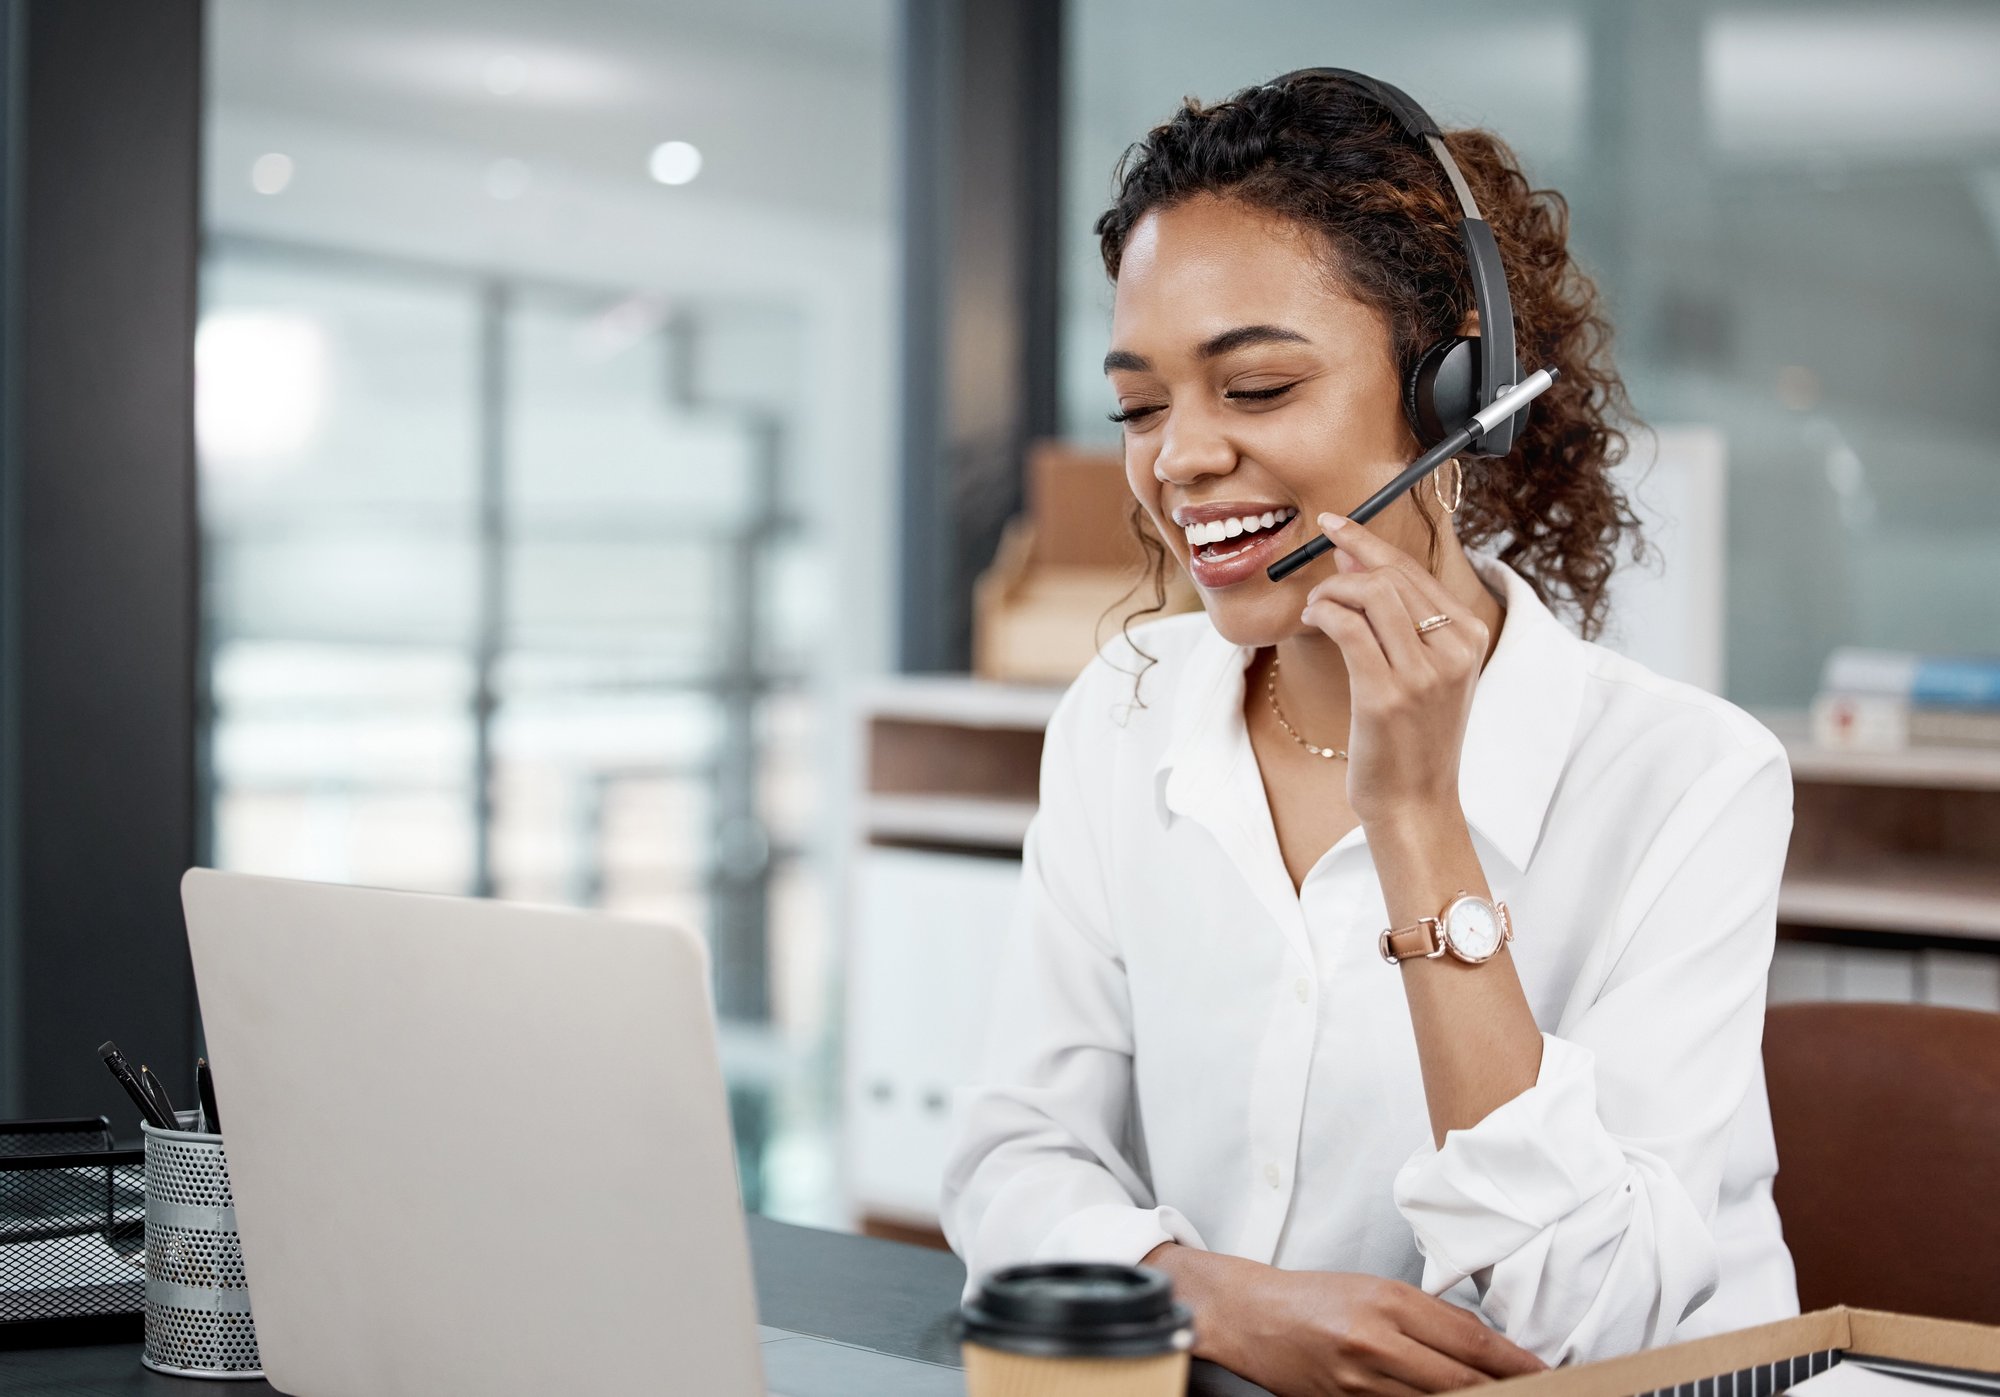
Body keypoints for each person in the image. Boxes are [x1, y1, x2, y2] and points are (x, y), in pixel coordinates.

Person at [939, 70, 1798, 1396]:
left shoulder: (1687, 778)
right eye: (1142, 405)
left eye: (1259, 388)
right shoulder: (1123, 718)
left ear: (1454, 392)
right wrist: (1208, 1295)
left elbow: (1605, 1326)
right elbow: (1013, 1154)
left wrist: (1419, 829)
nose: (1177, 461)